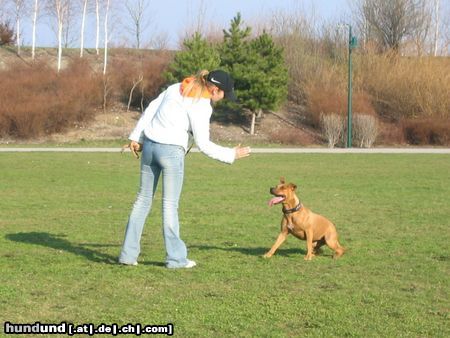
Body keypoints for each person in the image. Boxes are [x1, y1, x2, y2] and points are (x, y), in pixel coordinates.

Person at [118, 69, 251, 269]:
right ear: (215, 89)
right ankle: (176, 259)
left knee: (142, 200)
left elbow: (151, 109)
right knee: (170, 205)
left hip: (150, 147)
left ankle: (127, 256)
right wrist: (231, 154)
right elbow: (203, 144)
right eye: (224, 94)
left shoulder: (175, 88)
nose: (223, 98)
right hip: (171, 153)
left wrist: (135, 137)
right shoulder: (202, 105)